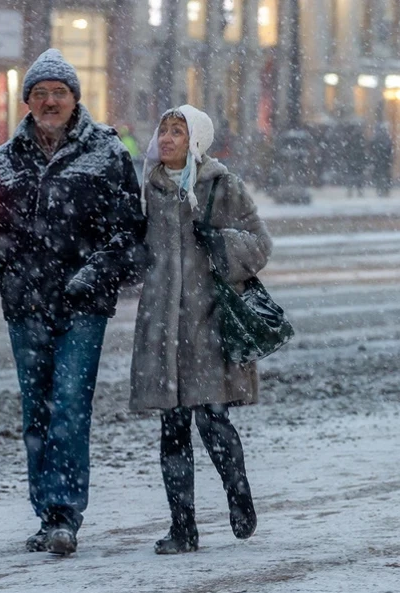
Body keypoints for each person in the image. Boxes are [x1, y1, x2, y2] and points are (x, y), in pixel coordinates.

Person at [0, 48, 145, 556]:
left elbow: (130, 232)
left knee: (68, 406)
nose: (49, 101)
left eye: (58, 93)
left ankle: (65, 513)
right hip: (25, 305)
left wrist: (95, 272)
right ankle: (46, 514)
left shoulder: (106, 152)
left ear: (74, 99)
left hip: (82, 306)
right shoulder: (4, 160)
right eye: (39, 93)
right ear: (27, 102)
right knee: (36, 413)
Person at [131, 105, 269, 554]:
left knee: (213, 420)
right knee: (172, 429)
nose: (168, 138)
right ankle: (183, 528)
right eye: (164, 129)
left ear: (196, 140)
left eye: (178, 131)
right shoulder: (145, 188)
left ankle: (239, 497)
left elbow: (259, 245)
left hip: (207, 323)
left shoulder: (219, 183)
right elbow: (133, 245)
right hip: (161, 327)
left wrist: (222, 244)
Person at [371, 124, 394, 197]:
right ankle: (385, 189)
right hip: (385, 160)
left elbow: (372, 149)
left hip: (379, 161)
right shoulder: (386, 139)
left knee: (380, 175)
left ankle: (380, 189)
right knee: (386, 175)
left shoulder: (376, 139)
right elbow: (390, 150)